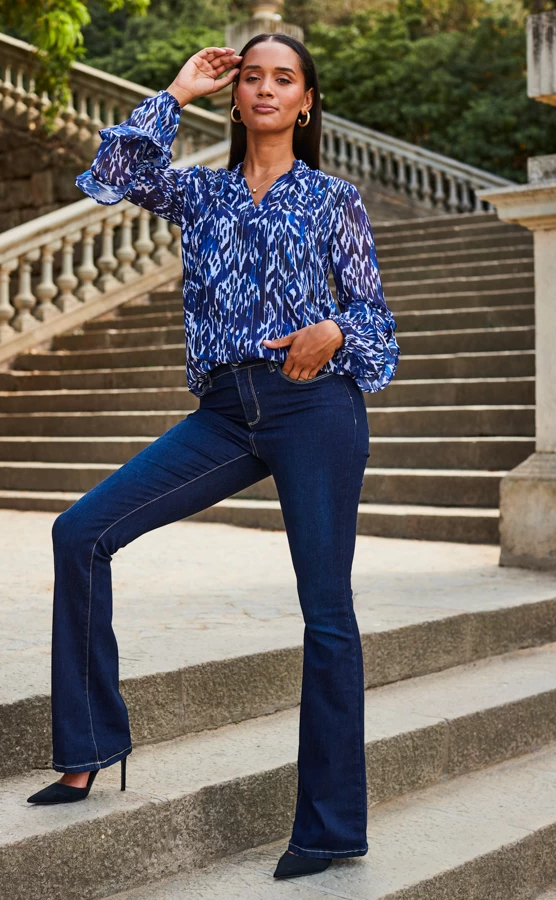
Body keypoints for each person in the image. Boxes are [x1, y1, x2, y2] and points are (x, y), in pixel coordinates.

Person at [26, 34, 399, 881]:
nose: (266, 89)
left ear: (306, 102)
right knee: (80, 533)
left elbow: (377, 324)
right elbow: (112, 176)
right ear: (237, 98)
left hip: (314, 408)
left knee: (326, 614)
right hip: (226, 413)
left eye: (284, 79)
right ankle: (89, 747)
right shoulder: (201, 194)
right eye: (252, 78)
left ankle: (331, 828)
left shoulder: (334, 200)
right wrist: (177, 92)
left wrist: (334, 330)